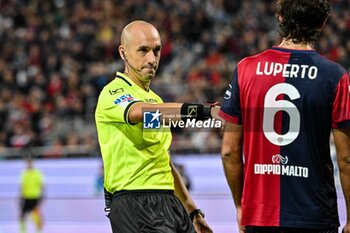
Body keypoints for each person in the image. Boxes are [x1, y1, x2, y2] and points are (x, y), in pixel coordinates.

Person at [219, 1, 350, 233]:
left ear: (279, 17)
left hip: (259, 216)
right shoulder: (335, 76)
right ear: (322, 23)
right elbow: (346, 158)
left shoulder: (245, 69)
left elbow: (229, 151)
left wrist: (241, 207)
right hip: (314, 215)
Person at [95, 20, 216, 233]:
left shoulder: (155, 100)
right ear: (123, 53)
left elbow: (163, 162)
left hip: (169, 202)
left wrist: (193, 212)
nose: (152, 59)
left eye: (157, 51)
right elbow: (137, 112)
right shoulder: (113, 93)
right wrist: (202, 112)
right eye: (143, 50)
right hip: (135, 203)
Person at [19, 157, 44, 233]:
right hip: (26, 197)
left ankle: (38, 231)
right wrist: (21, 196)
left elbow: (41, 185)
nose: (29, 164)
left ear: (33, 163)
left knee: (36, 215)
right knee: (22, 216)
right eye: (28, 163)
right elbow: (22, 186)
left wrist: (41, 196)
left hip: (35, 196)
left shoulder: (37, 173)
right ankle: (23, 231)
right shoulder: (24, 173)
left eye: (30, 163)